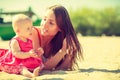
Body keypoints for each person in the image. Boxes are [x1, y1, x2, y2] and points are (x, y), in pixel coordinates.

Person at [31, 5, 83, 71]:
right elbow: (41, 66)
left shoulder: (61, 41)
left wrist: (70, 54)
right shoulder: (33, 32)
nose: (44, 24)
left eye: (51, 23)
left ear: (60, 28)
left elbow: (62, 68)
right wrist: (62, 51)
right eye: (44, 19)